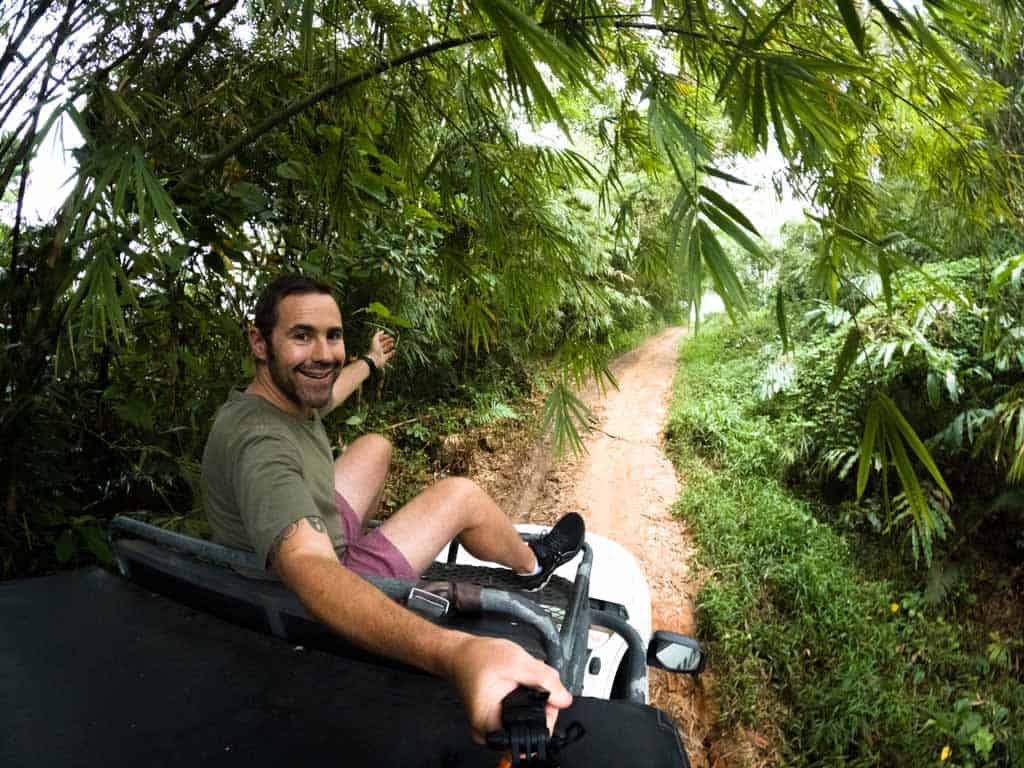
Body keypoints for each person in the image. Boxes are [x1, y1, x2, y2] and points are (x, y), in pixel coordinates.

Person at [201, 274, 585, 742]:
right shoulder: (262, 444)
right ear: (260, 343)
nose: (323, 353)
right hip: (311, 591)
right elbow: (306, 565)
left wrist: (369, 361)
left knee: (374, 447)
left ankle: (357, 544)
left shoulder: (278, 399)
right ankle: (534, 565)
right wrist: (456, 653)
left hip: (289, 549)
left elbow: (330, 391)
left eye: (332, 336)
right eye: (302, 336)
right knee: (461, 495)